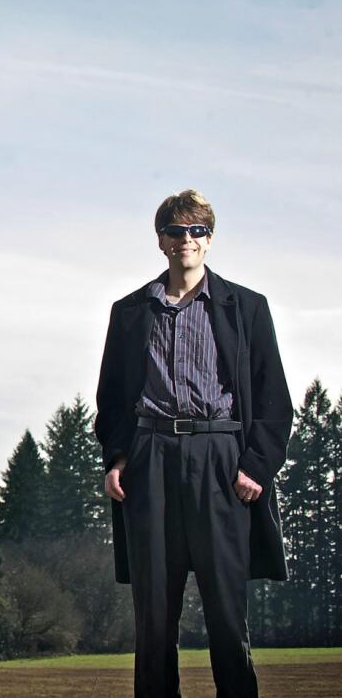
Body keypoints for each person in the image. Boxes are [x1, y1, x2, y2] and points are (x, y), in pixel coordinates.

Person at [94, 189, 292, 697]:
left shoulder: (245, 308)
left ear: (210, 239)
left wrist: (256, 467)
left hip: (220, 461)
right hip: (150, 459)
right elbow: (113, 395)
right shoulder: (130, 311)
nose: (187, 240)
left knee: (227, 612)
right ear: (161, 240)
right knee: (154, 613)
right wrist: (117, 458)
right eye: (176, 231)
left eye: (197, 231)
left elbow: (273, 397)